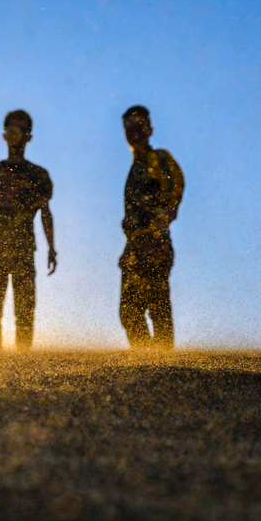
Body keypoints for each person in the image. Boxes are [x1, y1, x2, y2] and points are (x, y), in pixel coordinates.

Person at [0, 110, 57, 349]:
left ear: (29, 137)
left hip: (24, 248)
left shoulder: (38, 175)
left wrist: (52, 247)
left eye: (21, 131)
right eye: (11, 130)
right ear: (4, 135)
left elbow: (45, 212)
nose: (15, 135)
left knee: (25, 312)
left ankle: (22, 364)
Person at [118, 105, 184, 348]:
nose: (135, 131)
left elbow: (174, 186)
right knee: (129, 311)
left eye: (140, 125)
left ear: (150, 129)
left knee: (158, 307)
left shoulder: (158, 157)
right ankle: (147, 361)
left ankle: (163, 366)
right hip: (135, 245)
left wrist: (161, 225)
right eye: (129, 127)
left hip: (155, 241)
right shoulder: (135, 167)